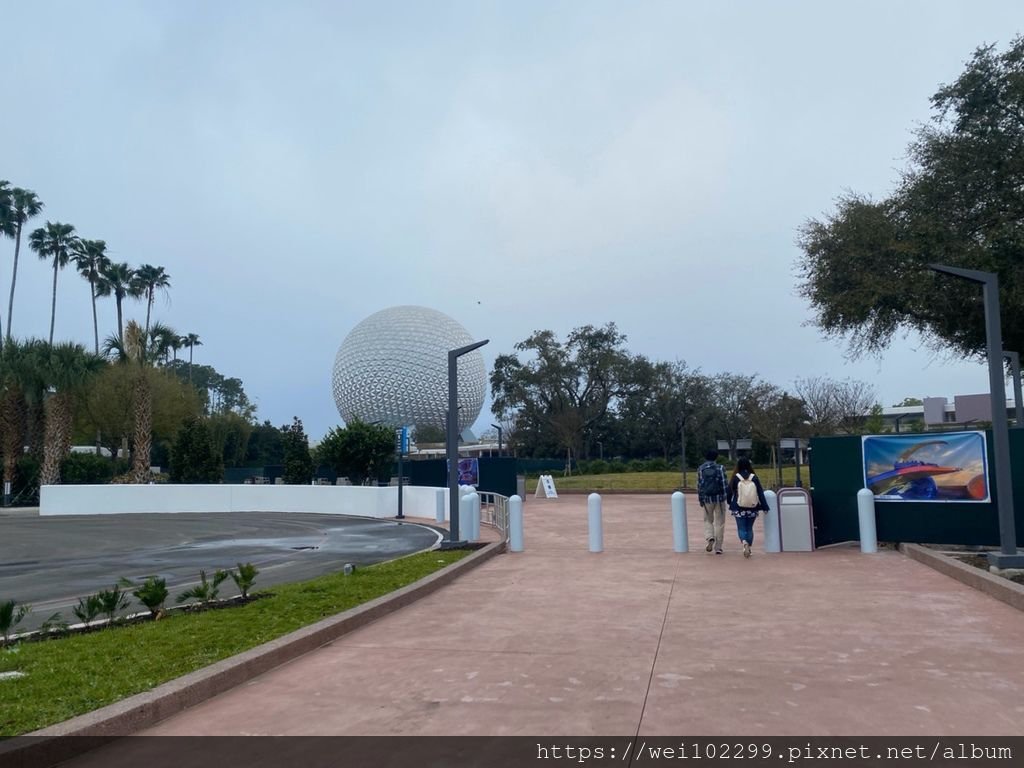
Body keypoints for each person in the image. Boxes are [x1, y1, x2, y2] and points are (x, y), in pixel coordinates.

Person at [727, 456, 770, 558]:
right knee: (749, 528)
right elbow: (760, 492)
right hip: (752, 507)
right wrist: (764, 506)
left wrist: (730, 502)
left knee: (741, 528)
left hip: (738, 507)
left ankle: (744, 542)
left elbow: (729, 492)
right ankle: (749, 547)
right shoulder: (754, 477)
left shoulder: (735, 477)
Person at [696, 449, 728, 554]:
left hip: (707, 499)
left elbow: (699, 485)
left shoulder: (701, 469)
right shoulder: (720, 468)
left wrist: (701, 498)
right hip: (719, 499)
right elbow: (724, 484)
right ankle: (718, 547)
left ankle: (710, 537)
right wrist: (725, 497)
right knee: (720, 523)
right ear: (716, 457)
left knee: (708, 520)